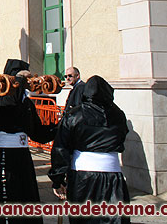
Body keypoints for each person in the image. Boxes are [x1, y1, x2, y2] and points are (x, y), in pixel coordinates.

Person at [0, 59, 57, 223]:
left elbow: (36, 131)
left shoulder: (27, 102)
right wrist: (19, 81)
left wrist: (57, 129)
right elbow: (10, 103)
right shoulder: (0, 97)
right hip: (4, 154)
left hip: (22, 156)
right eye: (25, 78)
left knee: (25, 195)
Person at [49, 75, 130, 224]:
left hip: (83, 176)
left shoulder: (74, 115)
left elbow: (61, 147)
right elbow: (122, 137)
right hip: (112, 176)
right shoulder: (118, 115)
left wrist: (58, 178)